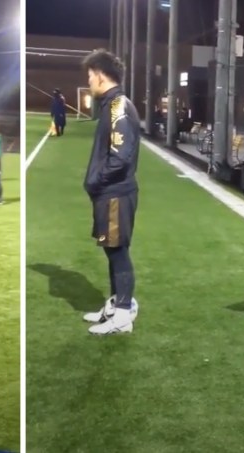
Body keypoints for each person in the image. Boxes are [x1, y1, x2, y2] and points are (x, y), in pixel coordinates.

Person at [78, 49, 142, 335]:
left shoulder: (118, 106)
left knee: (117, 252)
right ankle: (117, 305)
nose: (89, 81)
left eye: (90, 76)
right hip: (110, 193)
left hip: (115, 193)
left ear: (101, 76)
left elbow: (120, 158)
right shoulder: (111, 105)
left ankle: (124, 315)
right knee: (111, 250)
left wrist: (96, 181)